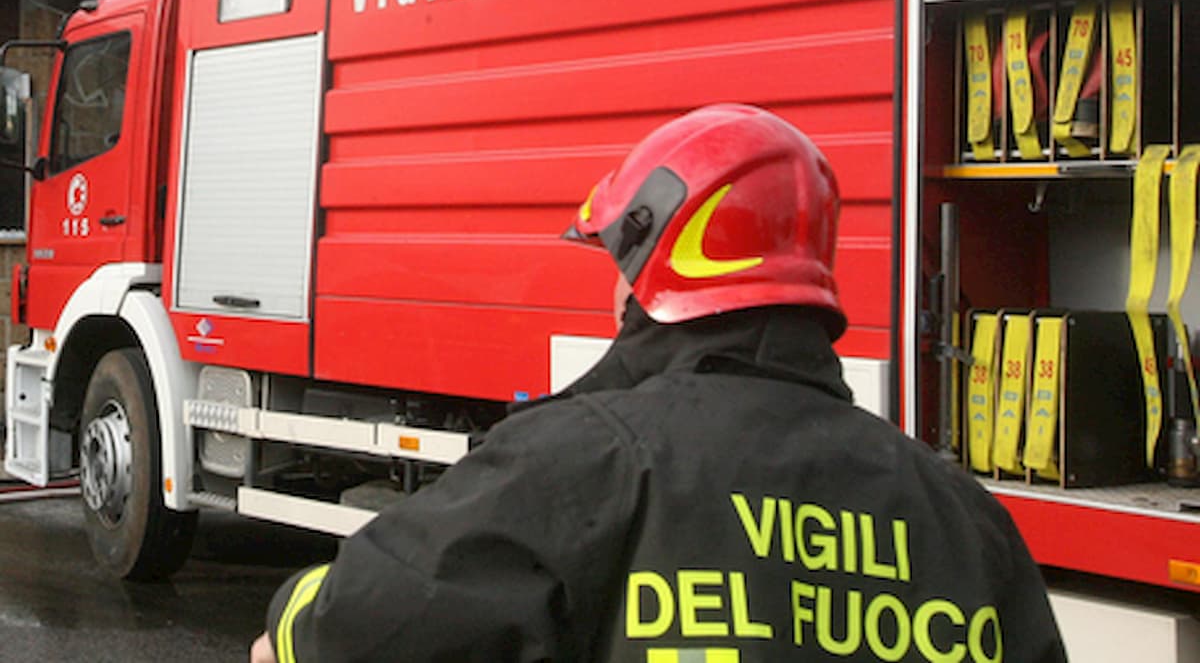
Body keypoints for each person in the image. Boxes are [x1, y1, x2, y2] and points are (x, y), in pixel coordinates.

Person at [252, 103, 1066, 662]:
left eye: (615, 258)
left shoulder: (582, 462)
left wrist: (288, 621)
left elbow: (355, 626)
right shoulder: (968, 522)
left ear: (656, 261)